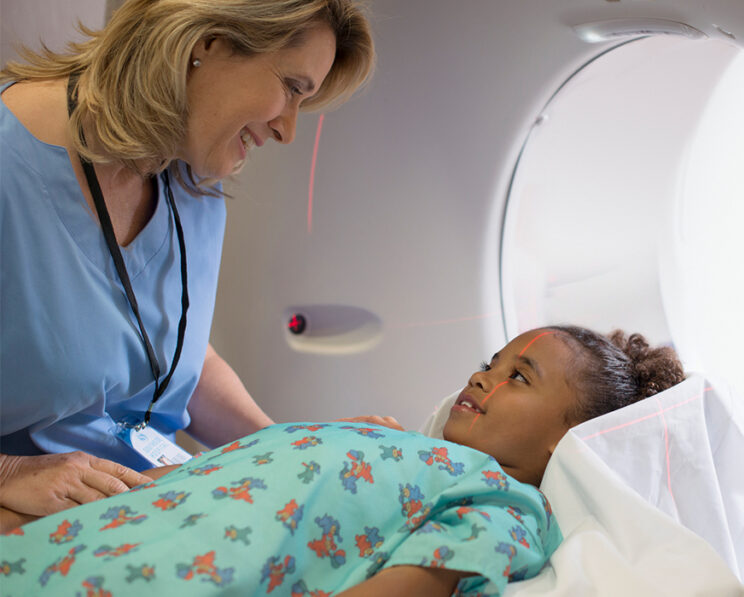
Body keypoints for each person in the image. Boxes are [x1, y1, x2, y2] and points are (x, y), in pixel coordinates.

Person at [0, 0, 375, 529]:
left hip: (149, 502)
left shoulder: (191, 180)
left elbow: (172, 356)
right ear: (207, 42)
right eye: (292, 88)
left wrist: (293, 451)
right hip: (41, 520)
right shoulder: (9, 164)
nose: (289, 130)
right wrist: (8, 471)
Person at [0, 326, 684, 595]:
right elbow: (191, 482)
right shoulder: (390, 441)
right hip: (82, 534)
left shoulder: (506, 503)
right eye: (490, 362)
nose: (484, 378)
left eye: (520, 378)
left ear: (565, 442)